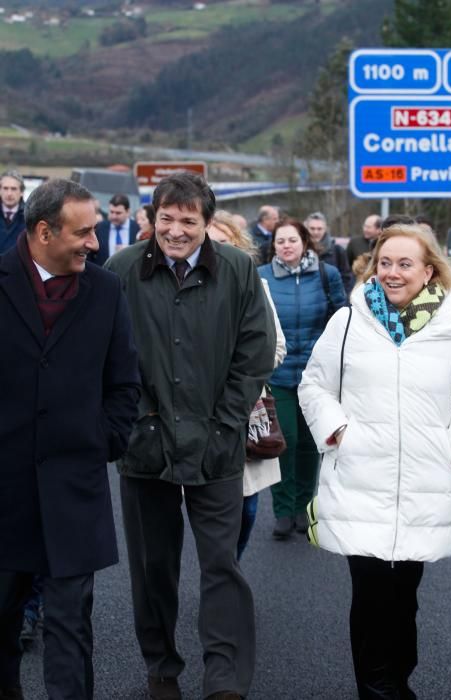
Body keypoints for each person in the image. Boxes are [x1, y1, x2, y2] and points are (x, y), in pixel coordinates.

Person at [105, 172, 276, 700]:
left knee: (221, 566)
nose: (175, 230)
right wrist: (132, 421)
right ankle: (161, 666)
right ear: (151, 218)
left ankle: (225, 679)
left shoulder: (239, 271)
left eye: (188, 221)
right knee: (153, 567)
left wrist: (226, 422)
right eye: (166, 218)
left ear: (206, 223)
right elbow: (106, 355)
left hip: (217, 444)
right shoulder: (122, 271)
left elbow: (254, 352)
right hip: (145, 446)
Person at [299, 223, 451, 700]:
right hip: (360, 478)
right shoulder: (348, 322)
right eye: (384, 263)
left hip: (425, 482)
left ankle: (397, 680)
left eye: (405, 264)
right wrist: (337, 431)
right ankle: (378, 690)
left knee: (404, 600)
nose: (392, 273)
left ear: (428, 270)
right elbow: (314, 385)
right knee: (371, 593)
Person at [0, 179, 140, 700]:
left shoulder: (105, 290)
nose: (95, 244)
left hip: (74, 485)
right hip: (5, 485)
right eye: (83, 233)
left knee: (69, 625)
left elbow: (125, 380)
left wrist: (103, 441)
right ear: (43, 231)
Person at [258, 219, 346, 540]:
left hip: (316, 377)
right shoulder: (261, 276)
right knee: (285, 442)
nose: (286, 246)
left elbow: (341, 317)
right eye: (280, 241)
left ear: (304, 242)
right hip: (277, 373)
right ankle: (283, 510)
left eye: (292, 240)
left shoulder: (326, 275)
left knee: (311, 445)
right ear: (274, 245)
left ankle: (304, 507)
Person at [207, 210, 286, 559]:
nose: (215, 250)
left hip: (245, 409)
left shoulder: (256, 285)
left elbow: (277, 347)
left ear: (239, 247)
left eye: (223, 243)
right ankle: (219, 578)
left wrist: (241, 376)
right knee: (205, 507)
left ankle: (230, 569)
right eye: (209, 243)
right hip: (196, 411)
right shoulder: (177, 286)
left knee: (246, 509)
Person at [304, 211, 353, 294]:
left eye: (319, 229)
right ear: (306, 229)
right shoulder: (301, 250)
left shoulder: (337, 251)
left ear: (325, 229)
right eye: (312, 228)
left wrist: (343, 297)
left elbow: (346, 278)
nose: (316, 232)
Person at [92, 193, 139, 265]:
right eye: (111, 212)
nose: (114, 216)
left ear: (128, 212)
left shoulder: (137, 228)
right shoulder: (100, 228)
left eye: (118, 213)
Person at [0, 170, 26, 254]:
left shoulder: (31, 216)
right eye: (5, 188)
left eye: (13, 189)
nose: (9, 193)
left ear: (21, 192)